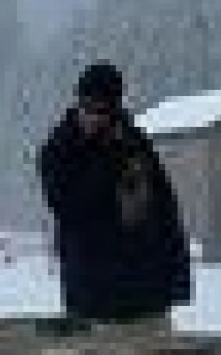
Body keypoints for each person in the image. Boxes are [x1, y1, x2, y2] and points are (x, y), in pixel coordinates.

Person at [37, 61, 194, 324]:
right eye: (87, 107)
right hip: (94, 294)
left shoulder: (135, 144)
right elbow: (69, 208)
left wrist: (176, 277)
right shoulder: (59, 150)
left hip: (148, 290)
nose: (93, 117)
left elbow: (164, 209)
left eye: (102, 110)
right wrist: (109, 161)